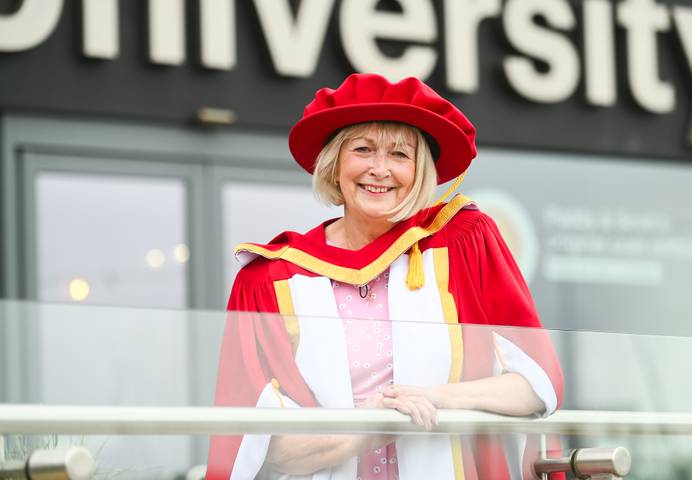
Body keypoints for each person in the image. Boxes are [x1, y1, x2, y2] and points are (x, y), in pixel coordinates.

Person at [207, 73, 564, 480]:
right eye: (363, 149)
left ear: (421, 171)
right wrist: (375, 425)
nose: (380, 169)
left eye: (400, 155)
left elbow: (538, 384)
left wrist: (431, 399)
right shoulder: (271, 280)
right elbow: (269, 449)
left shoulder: (463, 244)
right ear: (335, 164)